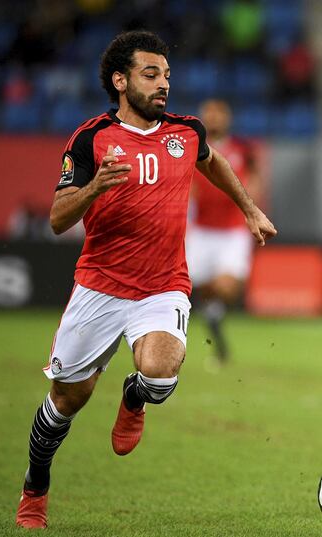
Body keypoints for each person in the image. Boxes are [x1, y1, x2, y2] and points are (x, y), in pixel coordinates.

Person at [16, 31, 277, 529]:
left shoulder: (186, 131)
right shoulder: (91, 138)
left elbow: (213, 160)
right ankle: (35, 487)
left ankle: (134, 396)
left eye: (167, 76)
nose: (163, 85)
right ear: (120, 80)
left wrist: (249, 207)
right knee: (67, 401)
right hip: (100, 286)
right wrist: (95, 186)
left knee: (160, 374)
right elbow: (55, 219)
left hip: (163, 285)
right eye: (151, 75)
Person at [186, 99, 263, 365]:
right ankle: (216, 327)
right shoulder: (191, 151)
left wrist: (250, 206)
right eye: (209, 114)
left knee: (227, 287)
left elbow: (254, 176)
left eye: (219, 114)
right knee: (203, 287)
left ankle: (214, 313)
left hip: (232, 232)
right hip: (201, 232)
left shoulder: (242, 149)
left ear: (227, 118)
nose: (214, 119)